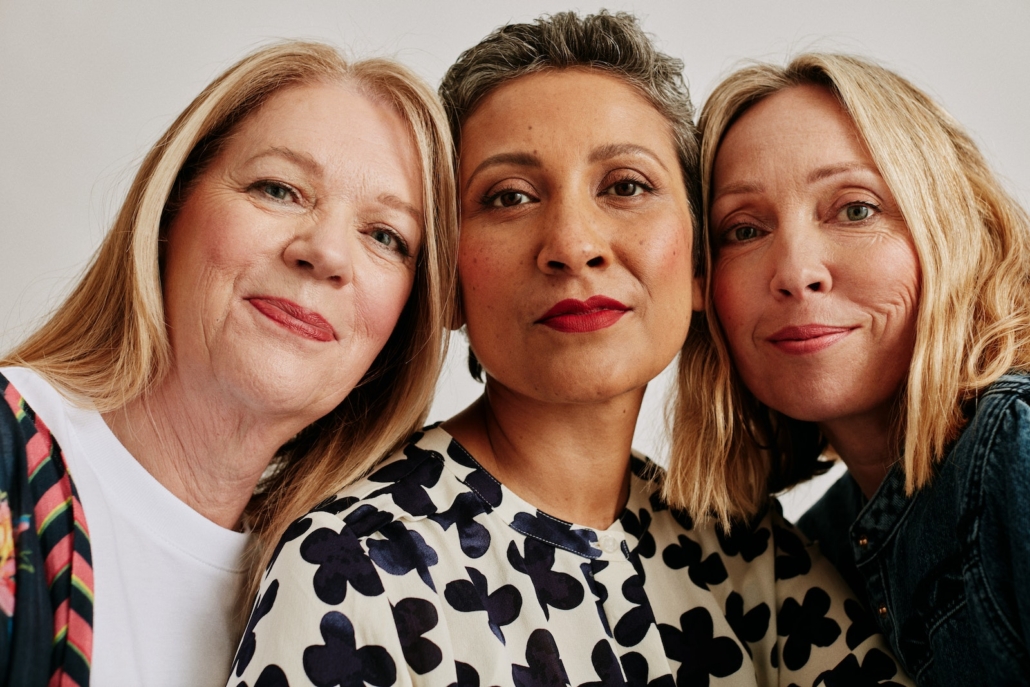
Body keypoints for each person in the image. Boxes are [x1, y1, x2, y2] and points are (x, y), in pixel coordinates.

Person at [233, 14, 910, 687]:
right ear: (449, 282)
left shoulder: (748, 552)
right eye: (510, 196)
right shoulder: (356, 566)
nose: (573, 244)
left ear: (701, 262)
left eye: (625, 186)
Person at [0, 40, 456, 686]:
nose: (325, 251)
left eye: (385, 236)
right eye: (280, 189)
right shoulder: (10, 457)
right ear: (171, 210)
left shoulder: (350, 597)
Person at [673, 52, 1030, 685]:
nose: (796, 272)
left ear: (953, 227)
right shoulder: (815, 553)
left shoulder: (1016, 445)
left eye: (855, 209)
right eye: (745, 230)